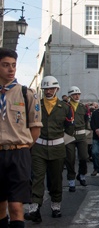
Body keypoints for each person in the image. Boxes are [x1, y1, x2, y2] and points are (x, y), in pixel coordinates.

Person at [0, 48, 42, 228]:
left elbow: (35, 129)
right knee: (0, 206)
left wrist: (22, 148)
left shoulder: (27, 94)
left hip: (19, 154)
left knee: (16, 207)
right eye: (5, 65)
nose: (11, 69)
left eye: (14, 66)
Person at [25, 76, 74, 223]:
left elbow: (70, 129)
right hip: (38, 147)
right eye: (46, 89)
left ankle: (55, 205)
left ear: (57, 89)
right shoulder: (36, 105)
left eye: (51, 88)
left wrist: (60, 141)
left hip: (58, 149)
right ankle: (34, 207)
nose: (49, 91)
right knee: (37, 177)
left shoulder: (65, 107)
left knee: (56, 178)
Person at [64, 86, 89, 192]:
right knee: (70, 159)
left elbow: (86, 120)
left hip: (81, 135)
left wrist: (87, 132)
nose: (77, 96)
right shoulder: (65, 106)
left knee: (84, 157)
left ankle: (82, 174)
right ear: (70, 95)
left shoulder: (83, 107)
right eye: (74, 94)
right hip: (69, 135)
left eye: (78, 94)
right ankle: (71, 180)